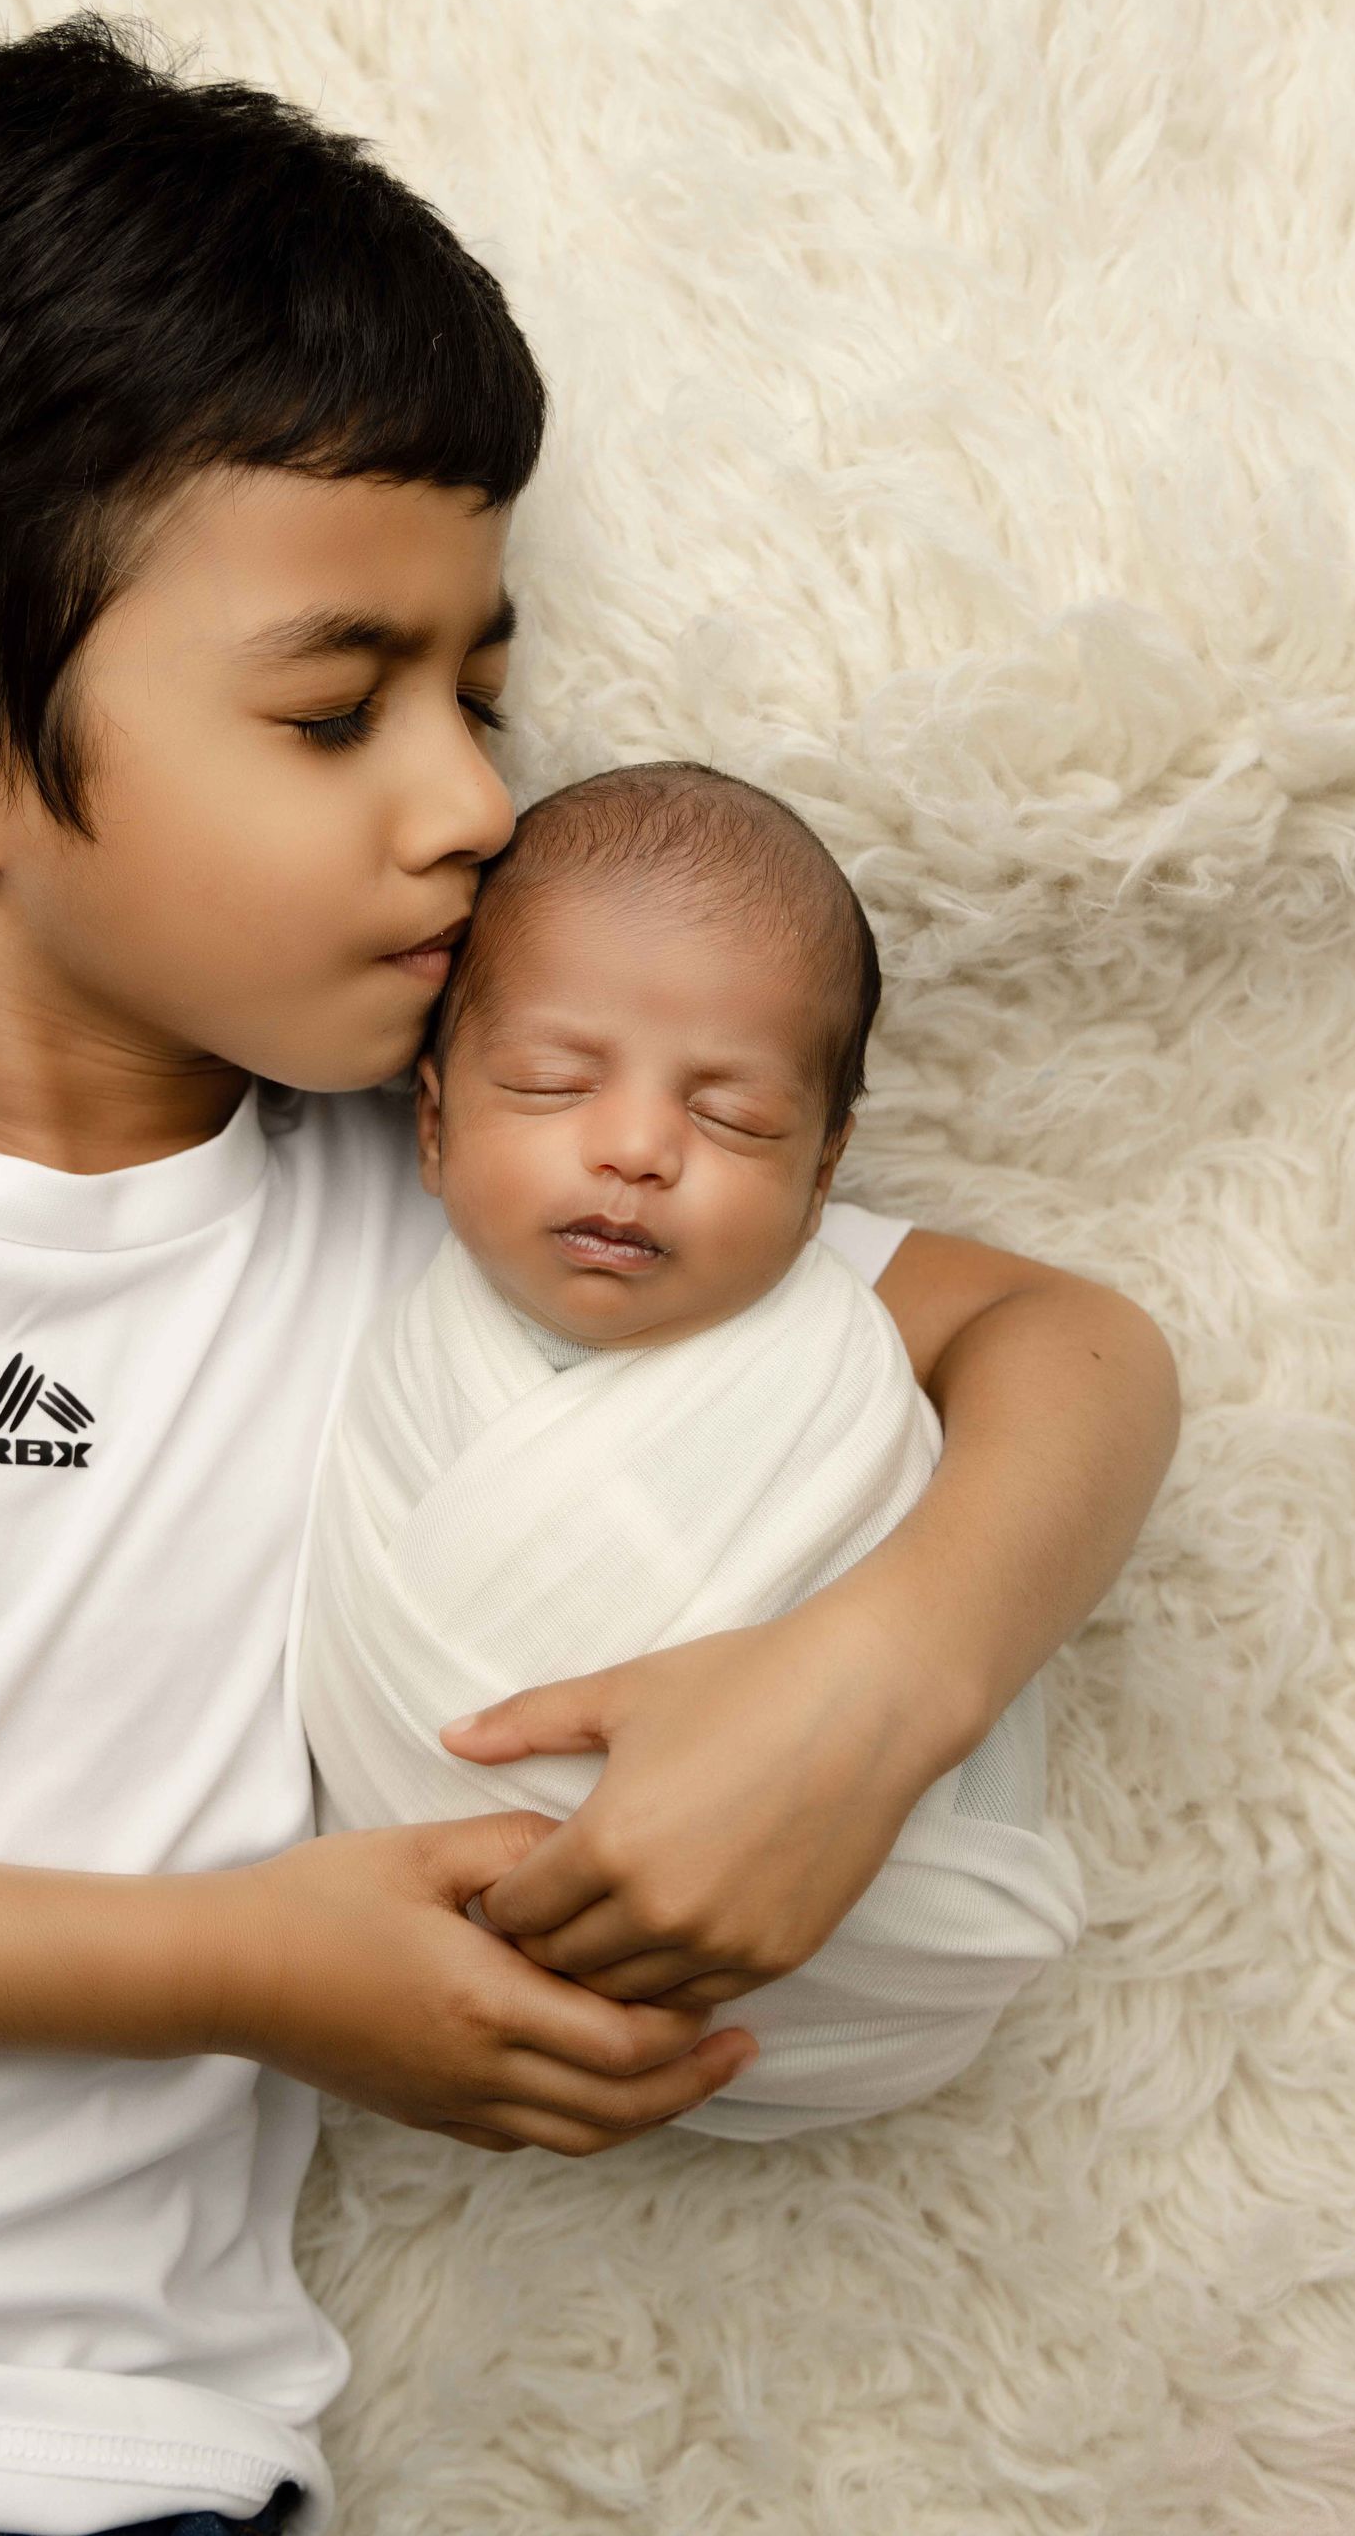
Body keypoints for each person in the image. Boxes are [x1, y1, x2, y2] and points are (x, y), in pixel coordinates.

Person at [0, 16, 1179, 2536]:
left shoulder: (453, 1192)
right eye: (340, 707)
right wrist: (231, 1968)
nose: (480, 802)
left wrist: (876, 1686)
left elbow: (1077, 1350)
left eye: (479, 685)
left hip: (152, 2468)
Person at [299, 761, 1089, 2139]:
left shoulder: (830, 1335)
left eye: (732, 1119)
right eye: (552, 1084)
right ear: (431, 1124)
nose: (638, 1148)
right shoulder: (362, 1287)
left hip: (864, 1917)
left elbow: (1078, 1355)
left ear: (821, 1177)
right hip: (427, 1975)